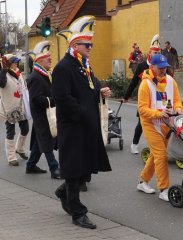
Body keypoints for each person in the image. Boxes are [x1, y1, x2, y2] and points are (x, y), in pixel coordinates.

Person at [52, 16, 112, 229]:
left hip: (86, 125)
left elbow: (87, 90)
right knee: (75, 168)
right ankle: (78, 212)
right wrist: (84, 114)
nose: (90, 48)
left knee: (85, 168)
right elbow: (63, 99)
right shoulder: (62, 68)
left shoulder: (84, 66)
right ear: (74, 45)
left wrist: (99, 91)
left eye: (91, 44)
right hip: (73, 127)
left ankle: (63, 192)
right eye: (87, 44)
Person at [136, 54, 183, 201]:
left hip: (167, 123)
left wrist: (179, 109)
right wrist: (158, 113)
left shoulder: (171, 81)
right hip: (151, 124)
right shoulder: (145, 84)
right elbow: (142, 109)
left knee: (155, 155)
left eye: (165, 67)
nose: (163, 70)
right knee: (161, 155)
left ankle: (143, 181)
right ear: (152, 67)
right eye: (160, 68)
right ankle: (164, 189)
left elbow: (177, 100)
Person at [26, 40, 60, 179]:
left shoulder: (44, 74)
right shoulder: (35, 77)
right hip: (41, 114)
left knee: (39, 140)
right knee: (46, 139)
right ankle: (54, 168)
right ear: (39, 61)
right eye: (48, 58)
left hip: (46, 113)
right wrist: (53, 100)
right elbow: (35, 99)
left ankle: (30, 165)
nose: (51, 60)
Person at [123, 34, 161, 154]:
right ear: (150, 52)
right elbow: (134, 82)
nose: (157, 55)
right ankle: (134, 144)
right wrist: (126, 96)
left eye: (158, 53)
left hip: (158, 97)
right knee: (141, 122)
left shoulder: (161, 65)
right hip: (144, 97)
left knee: (158, 122)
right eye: (155, 53)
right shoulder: (142, 66)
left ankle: (156, 146)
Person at [0, 54, 29, 166]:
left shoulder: (18, 73)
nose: (16, 64)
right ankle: (11, 157)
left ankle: (20, 149)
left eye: (17, 62)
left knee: (25, 129)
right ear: (7, 63)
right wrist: (3, 70)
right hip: (9, 107)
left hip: (21, 107)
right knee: (10, 131)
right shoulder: (3, 73)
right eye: (14, 62)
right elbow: (2, 84)